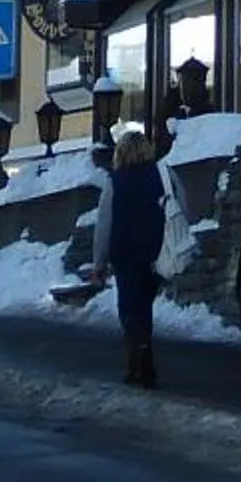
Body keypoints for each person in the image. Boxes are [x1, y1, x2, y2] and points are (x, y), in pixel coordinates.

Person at [103, 130, 166, 390]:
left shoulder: (115, 181)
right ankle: (145, 357)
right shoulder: (162, 176)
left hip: (125, 252)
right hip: (155, 251)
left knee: (129, 307)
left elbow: (104, 223)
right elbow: (180, 205)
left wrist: (99, 261)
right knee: (145, 304)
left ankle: (136, 359)